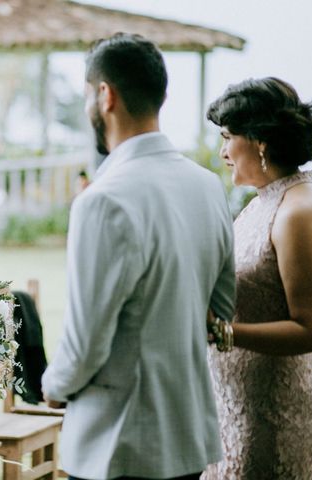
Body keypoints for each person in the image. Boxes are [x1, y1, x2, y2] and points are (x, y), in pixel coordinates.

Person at [41, 33, 235, 480]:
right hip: (186, 437)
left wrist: (52, 388)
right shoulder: (208, 186)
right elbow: (221, 308)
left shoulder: (102, 200)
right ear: (161, 95)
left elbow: (86, 342)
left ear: (105, 96)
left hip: (118, 443)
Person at [202, 77, 312, 479]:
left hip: (271, 414)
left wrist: (224, 333)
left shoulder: (301, 211)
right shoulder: (265, 198)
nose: (223, 151)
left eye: (228, 137)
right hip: (234, 405)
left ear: (260, 140)